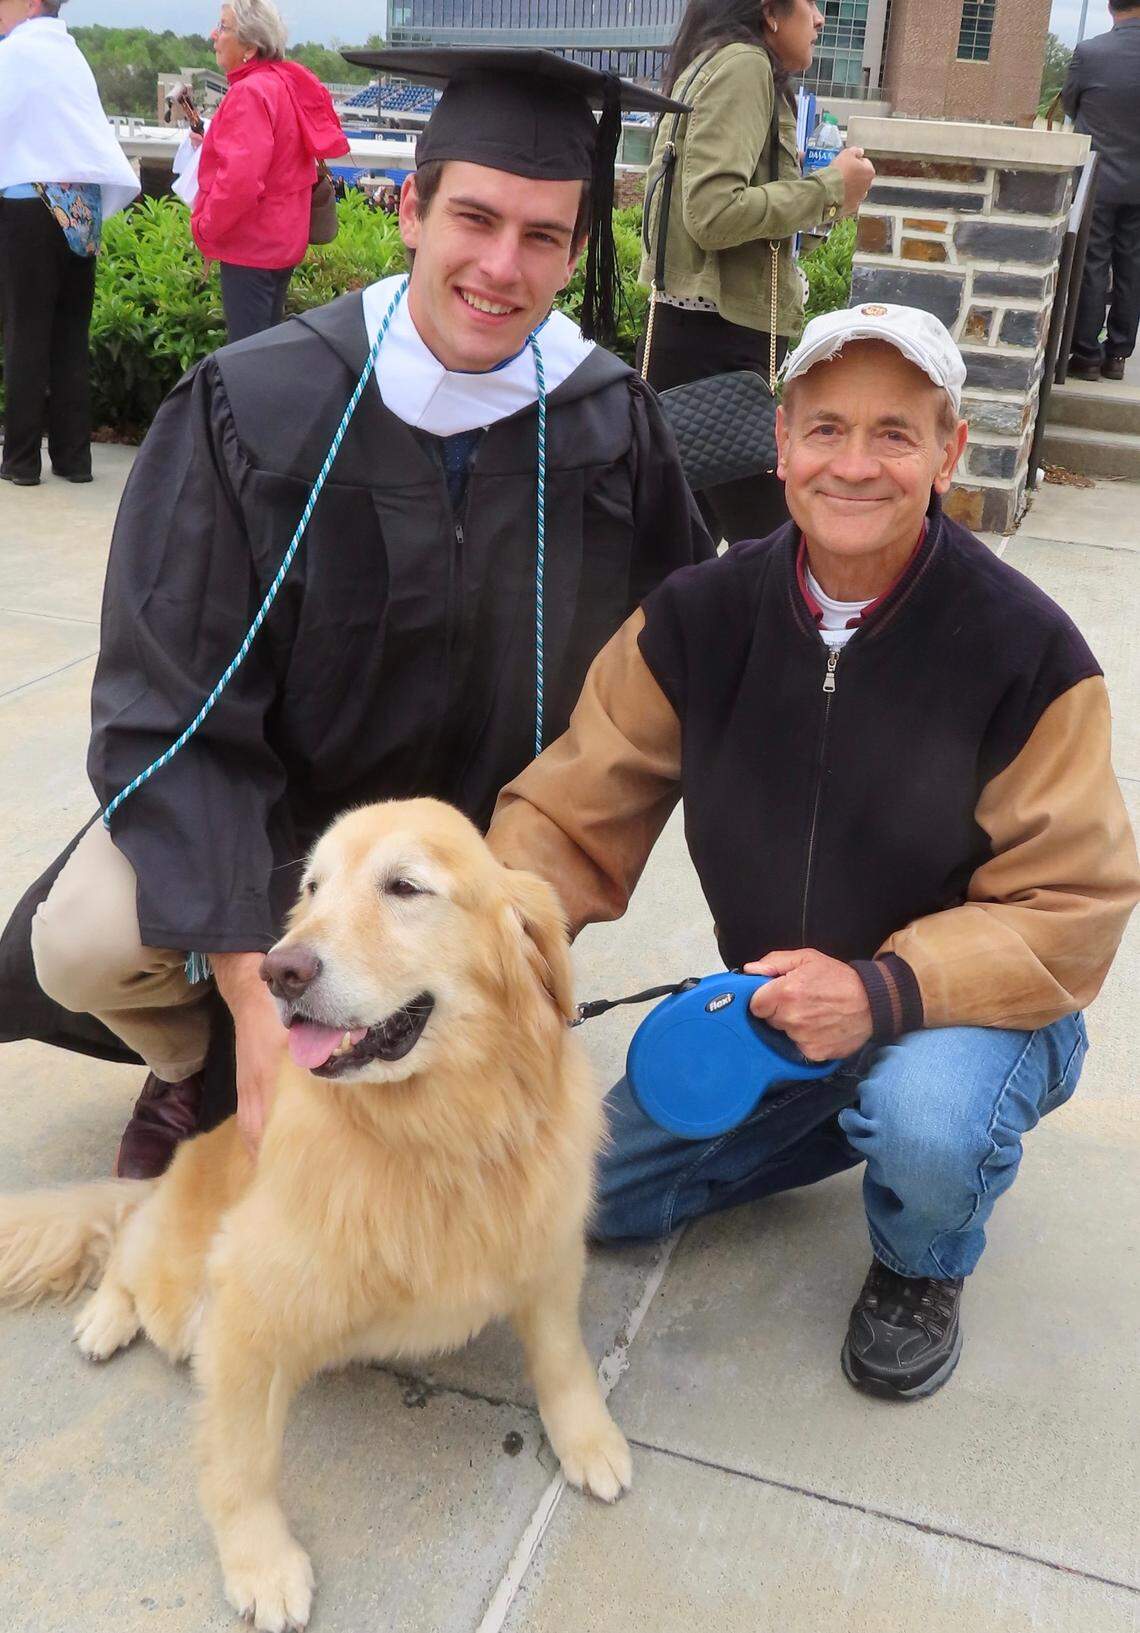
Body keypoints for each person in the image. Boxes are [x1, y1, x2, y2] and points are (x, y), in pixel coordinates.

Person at [0, 48, 712, 1181]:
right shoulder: (261, 404)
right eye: (473, 218)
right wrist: (243, 983)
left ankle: (415, 1033)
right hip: (273, 832)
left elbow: (667, 676)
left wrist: (533, 884)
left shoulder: (607, 425)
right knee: (80, 942)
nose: (500, 265)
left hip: (472, 853)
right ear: (409, 207)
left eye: (542, 236)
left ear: (577, 252)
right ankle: (198, 1066)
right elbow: (166, 698)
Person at [488, 302, 1139, 1401]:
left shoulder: (1030, 651)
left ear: (948, 453)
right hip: (785, 1001)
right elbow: (567, 812)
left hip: (974, 1004)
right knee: (593, 1199)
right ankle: (846, 1103)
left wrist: (882, 992)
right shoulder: (695, 618)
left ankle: (923, 1254)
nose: (856, 462)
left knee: (930, 1123)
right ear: (781, 444)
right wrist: (489, 953)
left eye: (896, 432)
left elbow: (1072, 904)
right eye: (827, 428)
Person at [639, 0, 875, 542]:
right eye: (812, 3)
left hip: (691, 340)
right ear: (770, 11)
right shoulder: (744, 65)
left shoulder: (711, 62)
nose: (820, 19)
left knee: (686, 553)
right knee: (782, 550)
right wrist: (829, 188)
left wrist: (830, 203)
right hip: (717, 351)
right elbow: (713, 214)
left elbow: (724, 226)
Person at [0, 0, 139, 486]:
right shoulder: (70, 55)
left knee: (26, 331)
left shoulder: (17, 52)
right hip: (81, 210)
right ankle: (73, 459)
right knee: (69, 335)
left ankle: (19, 460)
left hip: (26, 202)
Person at [191, 0, 349, 343]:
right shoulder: (284, 83)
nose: (213, 35)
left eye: (223, 27)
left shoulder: (249, 92)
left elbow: (241, 181)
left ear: (249, 46)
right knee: (263, 354)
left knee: (246, 364)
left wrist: (205, 227)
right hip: (281, 243)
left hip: (251, 247)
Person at [1062, 0, 1140, 383]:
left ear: (1111, 8)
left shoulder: (1090, 53)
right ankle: (1118, 356)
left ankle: (1087, 354)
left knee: (1093, 262)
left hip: (1099, 178)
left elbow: (1071, 104)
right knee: (1133, 265)